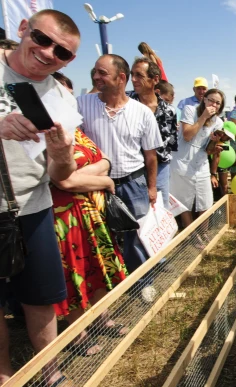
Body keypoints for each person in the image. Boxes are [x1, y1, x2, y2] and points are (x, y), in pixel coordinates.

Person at [0, 9, 81, 387]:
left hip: (32, 207)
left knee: (40, 297)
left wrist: (63, 154)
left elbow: (61, 173)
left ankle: (49, 372)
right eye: (42, 39)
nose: (49, 54)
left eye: (63, 53)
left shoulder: (62, 98)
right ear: (22, 30)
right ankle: (4, 379)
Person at [78, 54, 162, 275]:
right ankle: (107, 286)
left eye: (102, 73)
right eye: (95, 72)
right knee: (99, 237)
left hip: (133, 184)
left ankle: (142, 282)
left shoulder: (142, 113)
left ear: (121, 78)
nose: (96, 77)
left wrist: (151, 188)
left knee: (136, 237)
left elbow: (150, 155)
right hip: (95, 186)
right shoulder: (81, 105)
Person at [51, 128, 129, 356]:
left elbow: (105, 160)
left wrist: (88, 176)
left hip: (90, 210)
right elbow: (63, 182)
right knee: (73, 271)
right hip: (63, 216)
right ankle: (77, 332)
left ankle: (100, 317)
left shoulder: (75, 130)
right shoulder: (47, 134)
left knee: (97, 265)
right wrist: (103, 180)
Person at [170, 89, 226, 228]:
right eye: (211, 100)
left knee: (206, 200)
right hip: (182, 160)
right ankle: (191, 233)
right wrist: (203, 117)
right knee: (185, 201)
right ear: (204, 99)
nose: (214, 104)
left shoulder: (218, 121)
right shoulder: (190, 110)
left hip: (201, 162)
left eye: (218, 103)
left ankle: (203, 232)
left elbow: (207, 150)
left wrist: (214, 142)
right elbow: (187, 135)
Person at [128, 57, 178, 209]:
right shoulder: (125, 103)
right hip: (131, 170)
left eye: (139, 75)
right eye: (132, 74)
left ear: (155, 79)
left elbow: (170, 146)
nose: (133, 79)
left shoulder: (169, 111)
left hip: (160, 169)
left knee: (160, 211)